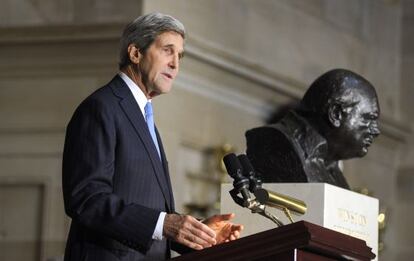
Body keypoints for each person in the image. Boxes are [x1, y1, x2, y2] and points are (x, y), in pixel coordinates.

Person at [62, 12, 243, 261]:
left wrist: (196, 232)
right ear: (135, 53)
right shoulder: (101, 108)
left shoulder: (143, 116)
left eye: (179, 56)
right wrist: (165, 224)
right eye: (167, 50)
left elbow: (149, 212)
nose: (175, 64)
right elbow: (86, 199)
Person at [245, 69, 381, 189]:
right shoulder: (274, 143)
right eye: (368, 119)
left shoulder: (331, 164)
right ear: (336, 114)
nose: (376, 131)